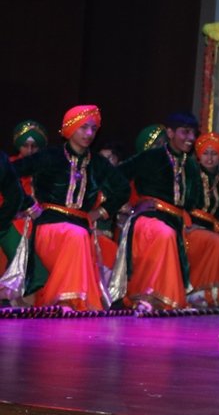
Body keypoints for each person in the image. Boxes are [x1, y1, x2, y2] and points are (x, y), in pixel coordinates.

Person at [9, 106, 129, 310]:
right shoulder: (49, 156)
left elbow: (123, 189)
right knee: (77, 235)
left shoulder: (98, 163)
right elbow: (9, 174)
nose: (89, 133)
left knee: (82, 236)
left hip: (81, 225)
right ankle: (67, 300)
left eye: (93, 128)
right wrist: (29, 205)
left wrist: (100, 212)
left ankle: (71, 299)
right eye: (83, 127)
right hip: (48, 226)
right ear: (70, 128)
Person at [117, 112, 203, 311]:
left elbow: (193, 202)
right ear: (170, 133)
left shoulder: (191, 164)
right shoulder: (152, 157)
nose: (191, 138)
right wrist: (130, 205)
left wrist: (194, 221)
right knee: (165, 234)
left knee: (213, 241)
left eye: (193, 133)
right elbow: (116, 175)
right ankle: (153, 296)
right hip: (149, 217)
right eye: (185, 132)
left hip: (177, 220)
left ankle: (205, 294)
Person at [187, 132, 219, 307]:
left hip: (212, 230)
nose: (209, 158)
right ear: (199, 155)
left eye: (214, 154)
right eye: (205, 153)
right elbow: (181, 203)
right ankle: (194, 292)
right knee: (216, 242)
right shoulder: (189, 174)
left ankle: (209, 294)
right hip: (188, 228)